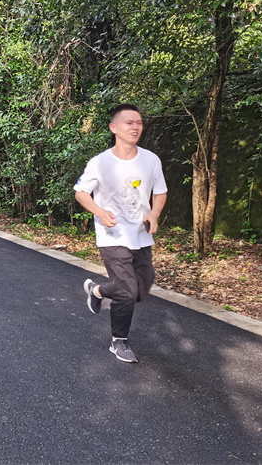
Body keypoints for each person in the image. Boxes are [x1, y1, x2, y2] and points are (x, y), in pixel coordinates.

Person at [74, 103, 168, 363]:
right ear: (113, 128)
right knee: (126, 290)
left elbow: (160, 192)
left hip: (141, 234)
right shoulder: (100, 162)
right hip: (112, 234)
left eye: (139, 122)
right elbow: (81, 192)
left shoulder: (151, 160)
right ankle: (119, 341)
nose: (135, 127)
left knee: (142, 288)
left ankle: (97, 291)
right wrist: (100, 212)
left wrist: (154, 214)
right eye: (129, 123)